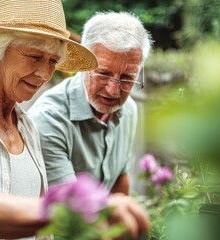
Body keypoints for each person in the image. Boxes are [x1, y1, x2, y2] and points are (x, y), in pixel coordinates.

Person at [0, 1, 149, 238]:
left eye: (53, 61)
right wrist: (67, 212)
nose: (44, 74)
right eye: (34, 56)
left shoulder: (27, 127)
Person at [28, 11, 152, 196]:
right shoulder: (48, 120)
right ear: (83, 63)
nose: (113, 90)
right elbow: (71, 210)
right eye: (103, 73)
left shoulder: (129, 109)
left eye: (127, 78)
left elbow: (120, 182)